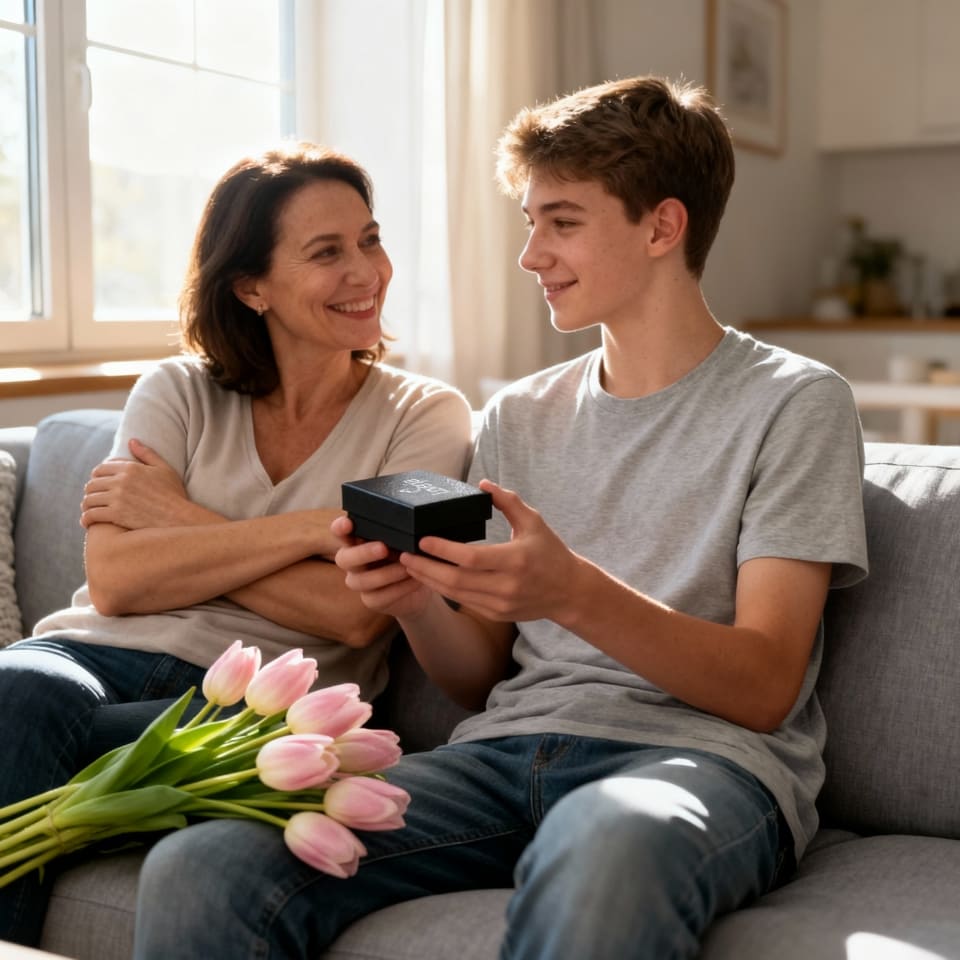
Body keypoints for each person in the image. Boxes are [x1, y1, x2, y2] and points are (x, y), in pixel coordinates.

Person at [132, 77, 868, 959]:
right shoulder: (517, 416)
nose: (530, 255)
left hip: (698, 765)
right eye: (530, 222)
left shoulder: (796, 403)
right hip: (500, 757)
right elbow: (480, 680)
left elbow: (764, 687)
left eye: (561, 222)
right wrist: (411, 601)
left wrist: (574, 591)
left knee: (605, 845)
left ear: (662, 227)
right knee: (209, 858)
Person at [0, 142, 472, 946]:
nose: (367, 271)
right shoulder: (177, 390)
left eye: (370, 238)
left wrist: (182, 521)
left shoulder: (424, 416)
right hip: (85, 663)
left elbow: (354, 615)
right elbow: (114, 580)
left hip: (253, 704)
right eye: (327, 252)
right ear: (251, 286)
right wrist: (307, 532)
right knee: (18, 688)